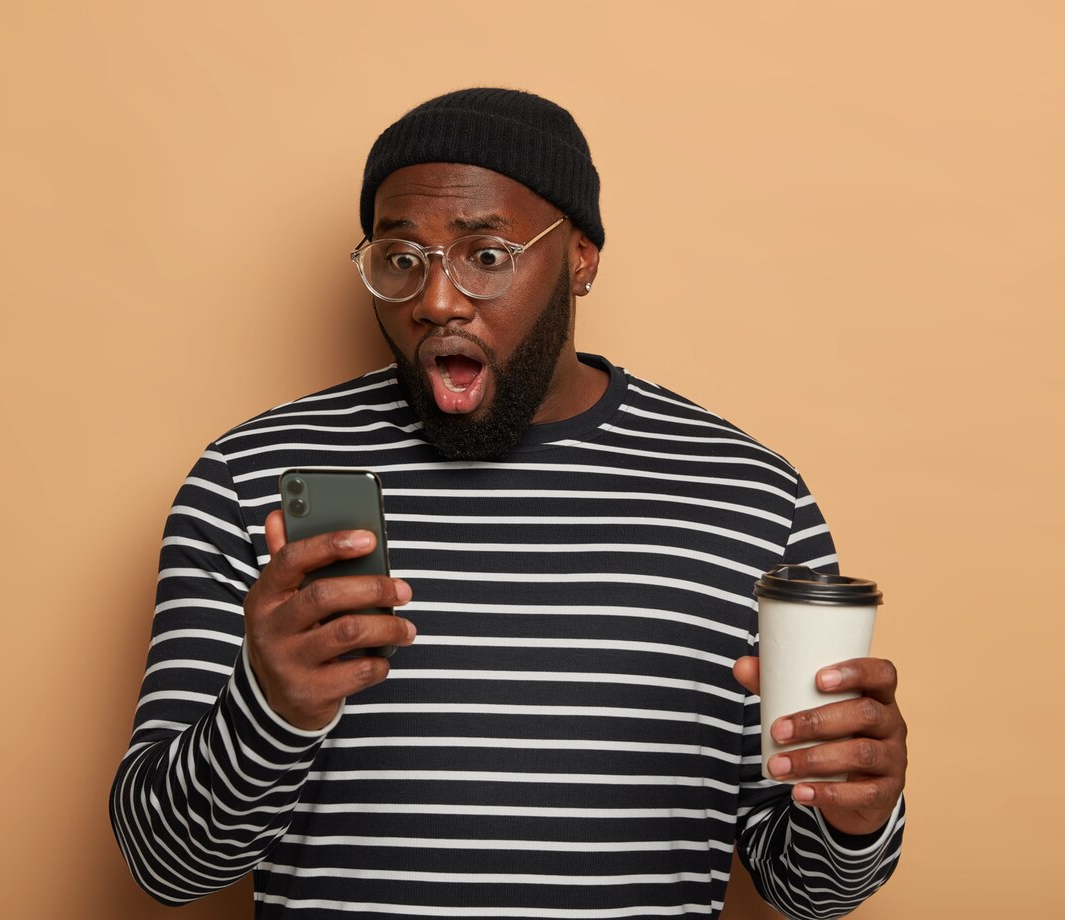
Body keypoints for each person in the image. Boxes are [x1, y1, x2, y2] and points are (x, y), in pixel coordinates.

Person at [110, 88, 907, 919]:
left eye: (485, 256)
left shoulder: (748, 499)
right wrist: (268, 710)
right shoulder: (253, 478)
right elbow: (165, 866)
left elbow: (807, 891)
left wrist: (857, 821)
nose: (436, 301)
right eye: (400, 258)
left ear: (581, 260)